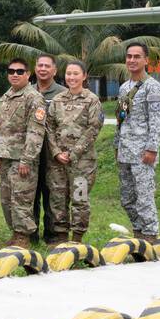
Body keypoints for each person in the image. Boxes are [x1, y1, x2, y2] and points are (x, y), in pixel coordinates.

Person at [46, 60, 103, 242]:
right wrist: (56, 152)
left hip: (82, 163)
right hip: (58, 161)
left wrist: (74, 154)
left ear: (84, 76)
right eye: (69, 73)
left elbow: (93, 128)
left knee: (80, 199)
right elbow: (49, 126)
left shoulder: (92, 100)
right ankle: (61, 237)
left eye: (76, 73)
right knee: (58, 199)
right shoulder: (58, 100)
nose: (71, 77)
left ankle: (77, 239)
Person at [0, 57, 48, 248]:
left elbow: (36, 132)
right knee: (7, 199)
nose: (14, 75)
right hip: (6, 156)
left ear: (28, 74)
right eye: (11, 71)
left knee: (21, 199)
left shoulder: (34, 98)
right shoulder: (7, 96)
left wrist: (27, 160)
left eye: (19, 72)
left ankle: (23, 237)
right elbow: (1, 128)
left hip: (22, 159)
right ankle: (15, 233)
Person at [115, 42, 160, 240]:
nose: (132, 60)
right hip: (125, 151)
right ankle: (138, 231)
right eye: (129, 56)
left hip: (143, 153)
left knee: (144, 197)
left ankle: (150, 234)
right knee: (127, 199)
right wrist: (117, 145)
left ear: (146, 60)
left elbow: (157, 120)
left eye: (137, 56)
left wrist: (152, 149)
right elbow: (121, 119)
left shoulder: (153, 87)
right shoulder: (124, 87)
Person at [30, 53, 62, 243]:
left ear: (54, 70)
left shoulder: (61, 93)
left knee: (52, 193)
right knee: (30, 193)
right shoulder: (28, 91)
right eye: (40, 65)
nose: (43, 69)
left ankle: (52, 234)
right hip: (30, 153)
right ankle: (31, 233)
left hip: (52, 154)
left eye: (47, 66)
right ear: (35, 69)